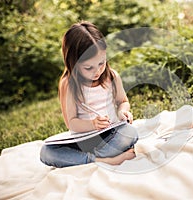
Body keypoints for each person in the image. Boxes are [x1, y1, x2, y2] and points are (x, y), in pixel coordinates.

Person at [40, 21, 138, 168]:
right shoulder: (69, 84)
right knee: (46, 152)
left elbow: (123, 101)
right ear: (73, 63)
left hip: (111, 135)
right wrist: (93, 124)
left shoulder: (112, 76)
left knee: (130, 132)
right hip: (83, 140)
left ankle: (83, 160)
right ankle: (105, 160)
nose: (97, 71)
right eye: (88, 67)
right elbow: (71, 123)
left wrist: (123, 111)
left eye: (101, 63)